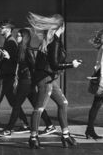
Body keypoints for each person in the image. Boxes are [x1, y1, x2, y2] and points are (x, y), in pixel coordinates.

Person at [27, 12, 82, 149]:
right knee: (39, 108)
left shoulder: (50, 40)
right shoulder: (54, 42)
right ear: (61, 27)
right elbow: (55, 65)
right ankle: (33, 138)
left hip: (48, 78)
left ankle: (66, 136)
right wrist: (72, 64)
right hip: (45, 79)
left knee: (63, 103)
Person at [0, 28, 56, 137]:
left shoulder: (27, 50)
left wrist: (35, 83)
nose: (17, 37)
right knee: (36, 104)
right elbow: (19, 62)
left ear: (24, 38)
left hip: (27, 82)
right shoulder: (21, 49)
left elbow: (34, 67)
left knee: (16, 105)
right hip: (26, 82)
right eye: (17, 35)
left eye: (19, 36)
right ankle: (50, 125)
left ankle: (8, 130)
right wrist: (9, 57)